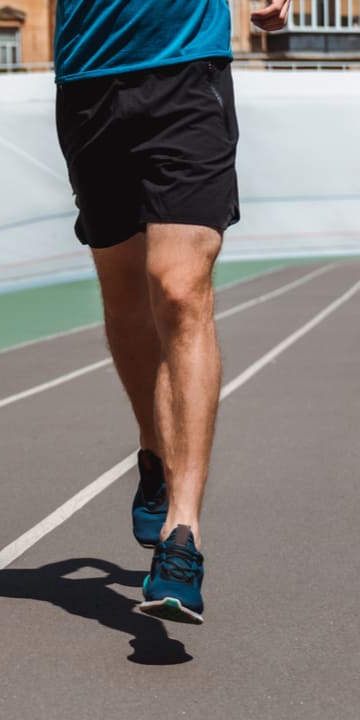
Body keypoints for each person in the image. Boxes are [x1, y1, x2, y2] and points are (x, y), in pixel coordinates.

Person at [53, 0, 292, 624]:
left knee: (181, 290)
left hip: (188, 72)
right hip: (89, 79)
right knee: (126, 294)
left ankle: (182, 535)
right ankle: (155, 448)